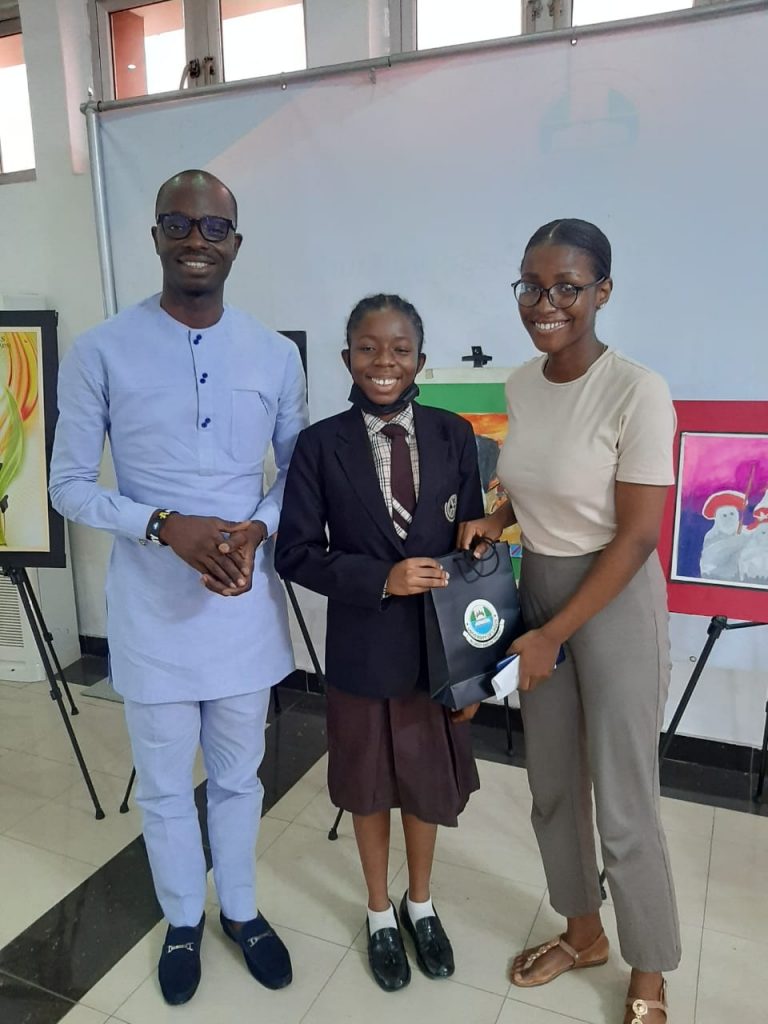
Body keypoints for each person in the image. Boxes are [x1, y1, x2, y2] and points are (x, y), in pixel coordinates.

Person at [49, 169, 308, 1005]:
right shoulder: (100, 350)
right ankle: (183, 920)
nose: (197, 239)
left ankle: (241, 910)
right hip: (152, 612)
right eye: (179, 223)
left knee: (239, 776)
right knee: (164, 784)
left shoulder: (274, 355)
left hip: (240, 604)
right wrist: (163, 525)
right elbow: (67, 485)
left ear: (236, 243)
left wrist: (257, 528)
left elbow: (298, 475)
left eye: (214, 227)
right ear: (156, 235)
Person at [458, 219, 680, 1024]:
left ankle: (649, 968)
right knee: (552, 786)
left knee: (623, 797)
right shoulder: (523, 384)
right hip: (542, 589)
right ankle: (582, 933)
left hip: (614, 598)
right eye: (532, 286)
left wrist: (553, 634)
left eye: (567, 287)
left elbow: (638, 535)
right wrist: (498, 520)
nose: (545, 303)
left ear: (602, 292)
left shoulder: (637, 390)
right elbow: (541, 486)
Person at [275, 294, 483, 992]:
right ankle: (378, 912)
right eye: (368, 348)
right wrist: (381, 578)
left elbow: (473, 546)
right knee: (367, 785)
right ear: (347, 359)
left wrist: (476, 668)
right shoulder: (320, 445)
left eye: (399, 349)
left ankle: (420, 904)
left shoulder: (454, 436)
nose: (383, 362)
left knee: (425, 784)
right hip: (363, 647)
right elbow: (295, 552)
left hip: (436, 651)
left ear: (420, 359)